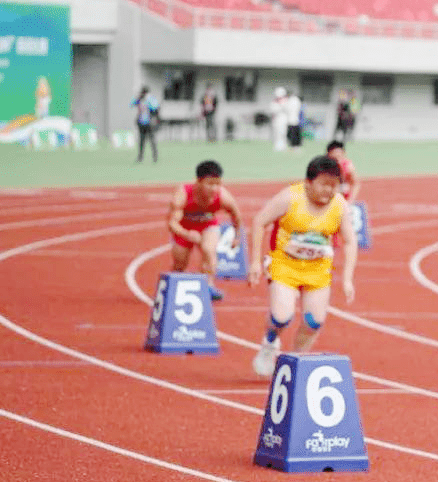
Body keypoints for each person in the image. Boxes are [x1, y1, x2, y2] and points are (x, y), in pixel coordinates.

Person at [248, 155, 358, 377]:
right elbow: (259, 221)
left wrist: (347, 278)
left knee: (313, 322)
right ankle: (269, 343)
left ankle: (295, 362)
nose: (329, 191)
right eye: (324, 184)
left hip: (317, 270)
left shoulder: (339, 206)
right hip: (285, 265)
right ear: (309, 182)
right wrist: (254, 262)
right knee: (282, 316)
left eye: (334, 186)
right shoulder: (290, 197)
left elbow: (350, 241)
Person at [167, 160, 242, 302]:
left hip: (208, 226)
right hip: (184, 228)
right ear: (198, 181)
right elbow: (172, 223)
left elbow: (237, 217)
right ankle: (175, 288)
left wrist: (237, 237)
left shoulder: (223, 197)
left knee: (209, 250)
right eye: (210, 184)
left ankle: (208, 285)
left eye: (217, 184)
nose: (214, 188)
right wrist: (186, 234)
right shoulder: (182, 194)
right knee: (179, 263)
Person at [131, 85, 159, 163]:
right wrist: (138, 98)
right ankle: (140, 157)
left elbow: (155, 107)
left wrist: (148, 100)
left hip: (149, 123)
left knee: (151, 140)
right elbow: (131, 104)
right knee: (141, 141)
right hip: (141, 123)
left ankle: (155, 156)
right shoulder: (139, 99)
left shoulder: (150, 99)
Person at [270, 87, 288, 152]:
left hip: (283, 119)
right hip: (276, 119)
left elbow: (287, 109)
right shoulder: (274, 102)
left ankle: (283, 146)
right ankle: (277, 146)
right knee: (276, 133)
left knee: (283, 133)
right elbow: (272, 110)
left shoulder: (286, 101)